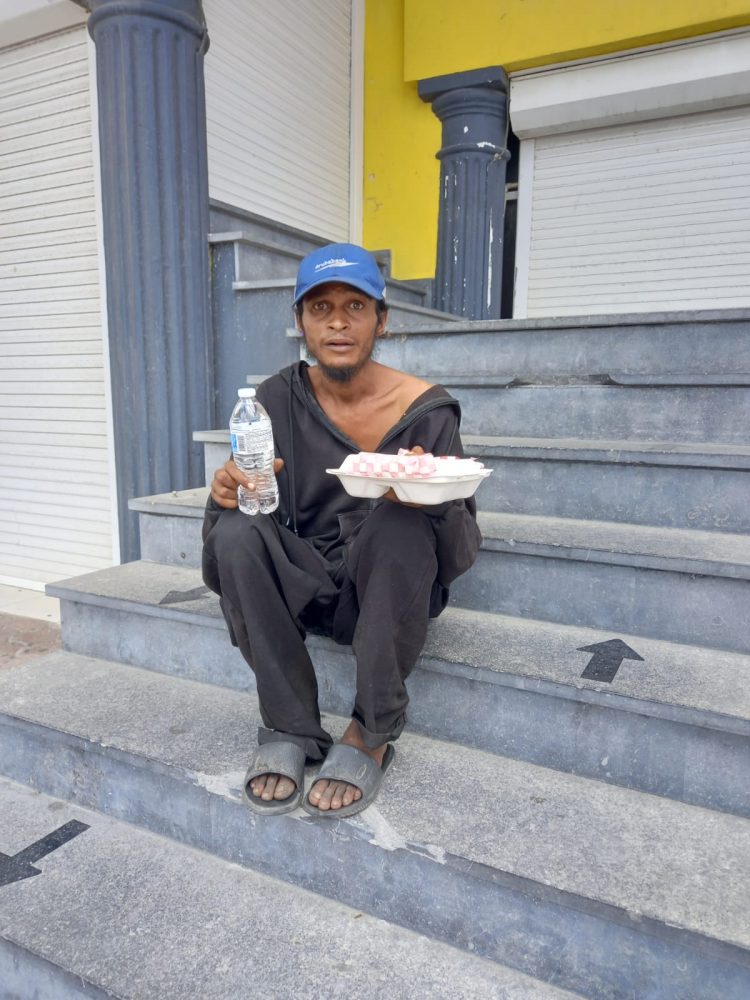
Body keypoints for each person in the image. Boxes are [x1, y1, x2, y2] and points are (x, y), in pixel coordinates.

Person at [202, 243, 482, 818]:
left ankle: (372, 731)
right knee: (234, 531)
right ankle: (290, 726)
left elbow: (457, 555)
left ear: (382, 319)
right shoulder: (275, 400)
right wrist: (226, 492)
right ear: (300, 320)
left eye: (355, 306)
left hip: (384, 585)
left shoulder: (427, 411)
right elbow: (225, 553)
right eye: (319, 306)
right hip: (304, 579)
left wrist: (427, 504)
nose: (336, 321)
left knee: (401, 523)